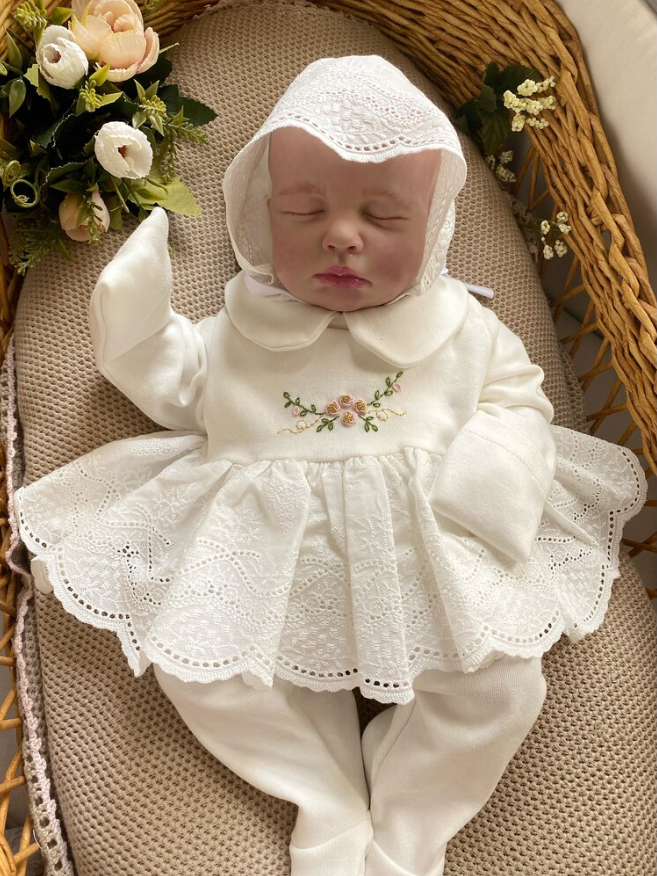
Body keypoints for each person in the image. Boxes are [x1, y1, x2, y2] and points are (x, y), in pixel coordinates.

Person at [13, 56, 646, 876]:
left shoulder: (461, 328)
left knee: (499, 688)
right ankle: (326, 803)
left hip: (431, 539)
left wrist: (486, 491)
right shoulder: (235, 331)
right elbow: (170, 384)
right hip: (267, 556)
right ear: (260, 214)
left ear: (433, 226)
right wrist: (135, 314)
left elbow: (518, 401)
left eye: (383, 215)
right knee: (204, 672)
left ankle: (408, 837)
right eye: (305, 209)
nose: (342, 235)